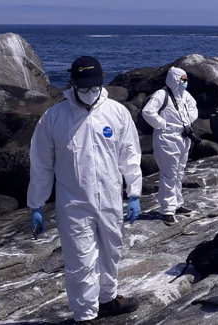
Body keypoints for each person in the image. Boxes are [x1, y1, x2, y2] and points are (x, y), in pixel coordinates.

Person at [27, 56, 142, 325]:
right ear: (72, 84)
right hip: (73, 203)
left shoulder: (116, 112)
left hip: (110, 198)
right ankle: (84, 314)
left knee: (112, 250)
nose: (89, 93)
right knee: (80, 259)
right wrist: (36, 204)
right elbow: (41, 163)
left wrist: (134, 193)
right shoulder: (54, 117)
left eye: (94, 87)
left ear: (101, 82)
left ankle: (107, 298)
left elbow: (130, 155)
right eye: (84, 87)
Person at [142, 67, 199, 226]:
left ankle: (177, 203)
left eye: (186, 80)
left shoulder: (184, 95)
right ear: (175, 79)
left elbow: (194, 108)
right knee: (169, 174)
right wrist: (162, 124)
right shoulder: (162, 95)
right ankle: (167, 209)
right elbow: (148, 112)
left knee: (179, 172)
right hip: (167, 139)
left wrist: (187, 121)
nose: (185, 82)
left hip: (182, 137)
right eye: (183, 79)